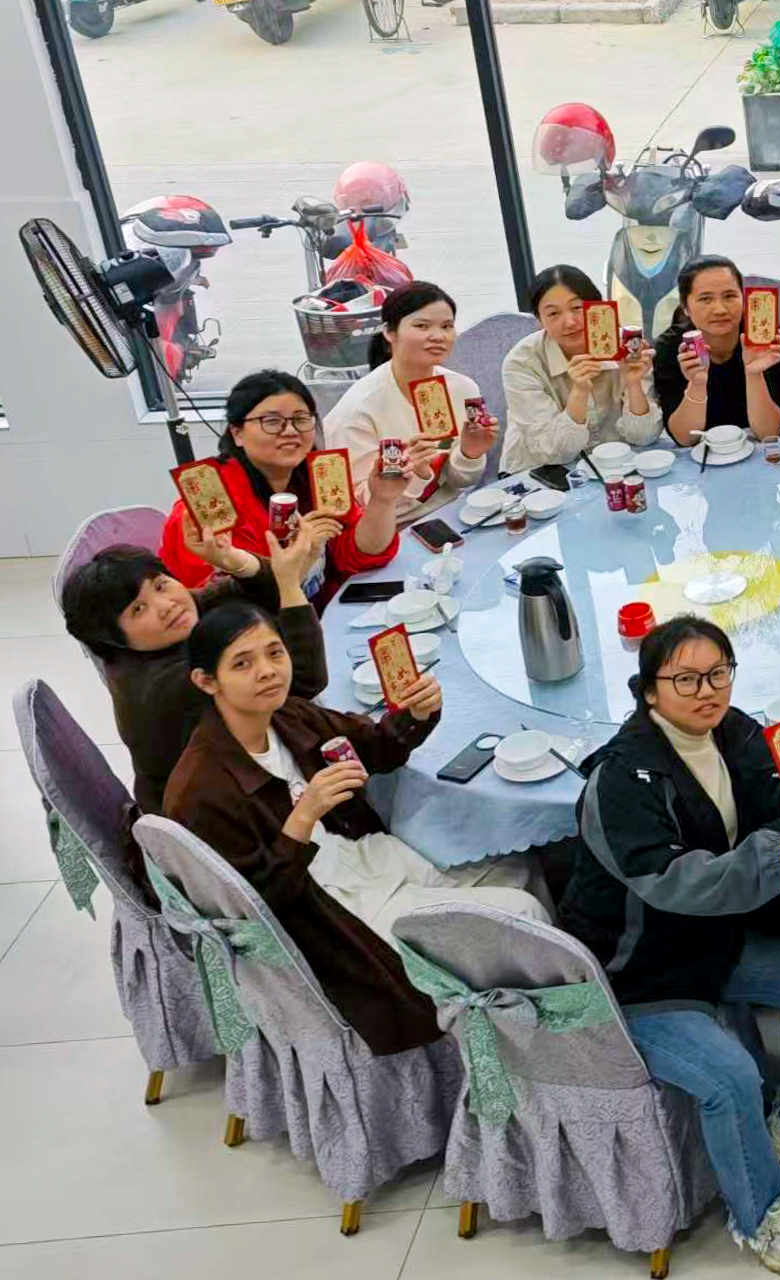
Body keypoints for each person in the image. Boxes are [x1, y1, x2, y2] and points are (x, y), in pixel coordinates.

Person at [566, 617, 780, 1274]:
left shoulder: (735, 732)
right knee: (731, 1077)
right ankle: (761, 1213)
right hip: (640, 973)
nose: (706, 690)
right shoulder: (619, 781)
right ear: (649, 690)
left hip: (713, 941)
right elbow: (670, 880)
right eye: (685, 679)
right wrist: (774, 853)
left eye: (717, 673)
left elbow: (772, 803)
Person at [163, 600, 544, 1036]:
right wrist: (303, 819)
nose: (267, 671)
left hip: (367, 860)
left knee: (524, 872)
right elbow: (248, 915)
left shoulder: (287, 716)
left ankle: (532, 1021)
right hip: (333, 915)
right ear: (206, 681)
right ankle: (537, 1036)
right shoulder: (200, 791)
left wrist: (416, 714)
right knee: (523, 911)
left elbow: (373, 747)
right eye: (242, 663)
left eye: (274, 652)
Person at [65, 530, 329, 817]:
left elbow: (247, 592)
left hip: (238, 780)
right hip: (224, 820)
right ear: (113, 637)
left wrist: (232, 559)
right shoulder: (170, 686)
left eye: (161, 585)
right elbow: (305, 680)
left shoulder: (157, 633)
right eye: (138, 609)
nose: (166, 606)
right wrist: (289, 584)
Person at [158, 368, 410, 589]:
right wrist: (303, 555)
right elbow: (224, 610)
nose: (290, 431)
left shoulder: (320, 475)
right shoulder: (205, 510)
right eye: (272, 421)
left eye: (300, 419)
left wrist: (382, 500)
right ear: (237, 433)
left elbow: (358, 553)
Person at [322, 281, 501, 522]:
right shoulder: (357, 411)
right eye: (421, 326)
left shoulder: (462, 388)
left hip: (453, 514)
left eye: (447, 326)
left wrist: (470, 453)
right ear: (390, 333)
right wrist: (414, 474)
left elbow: (461, 482)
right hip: (388, 529)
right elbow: (360, 504)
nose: (438, 336)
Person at [498, 264, 662, 473]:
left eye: (577, 308)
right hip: (542, 472)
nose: (569, 322)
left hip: (614, 466)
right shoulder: (522, 362)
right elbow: (552, 452)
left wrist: (633, 384)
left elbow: (644, 437)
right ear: (539, 320)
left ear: (599, 307)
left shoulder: (627, 345)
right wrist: (579, 392)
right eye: (553, 313)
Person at [656, 256, 780, 447]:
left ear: (743, 299)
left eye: (729, 296)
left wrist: (754, 374)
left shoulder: (769, 341)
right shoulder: (671, 347)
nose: (719, 309)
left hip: (755, 449)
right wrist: (697, 384)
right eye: (705, 299)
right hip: (700, 452)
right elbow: (685, 439)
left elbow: (769, 433)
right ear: (686, 307)